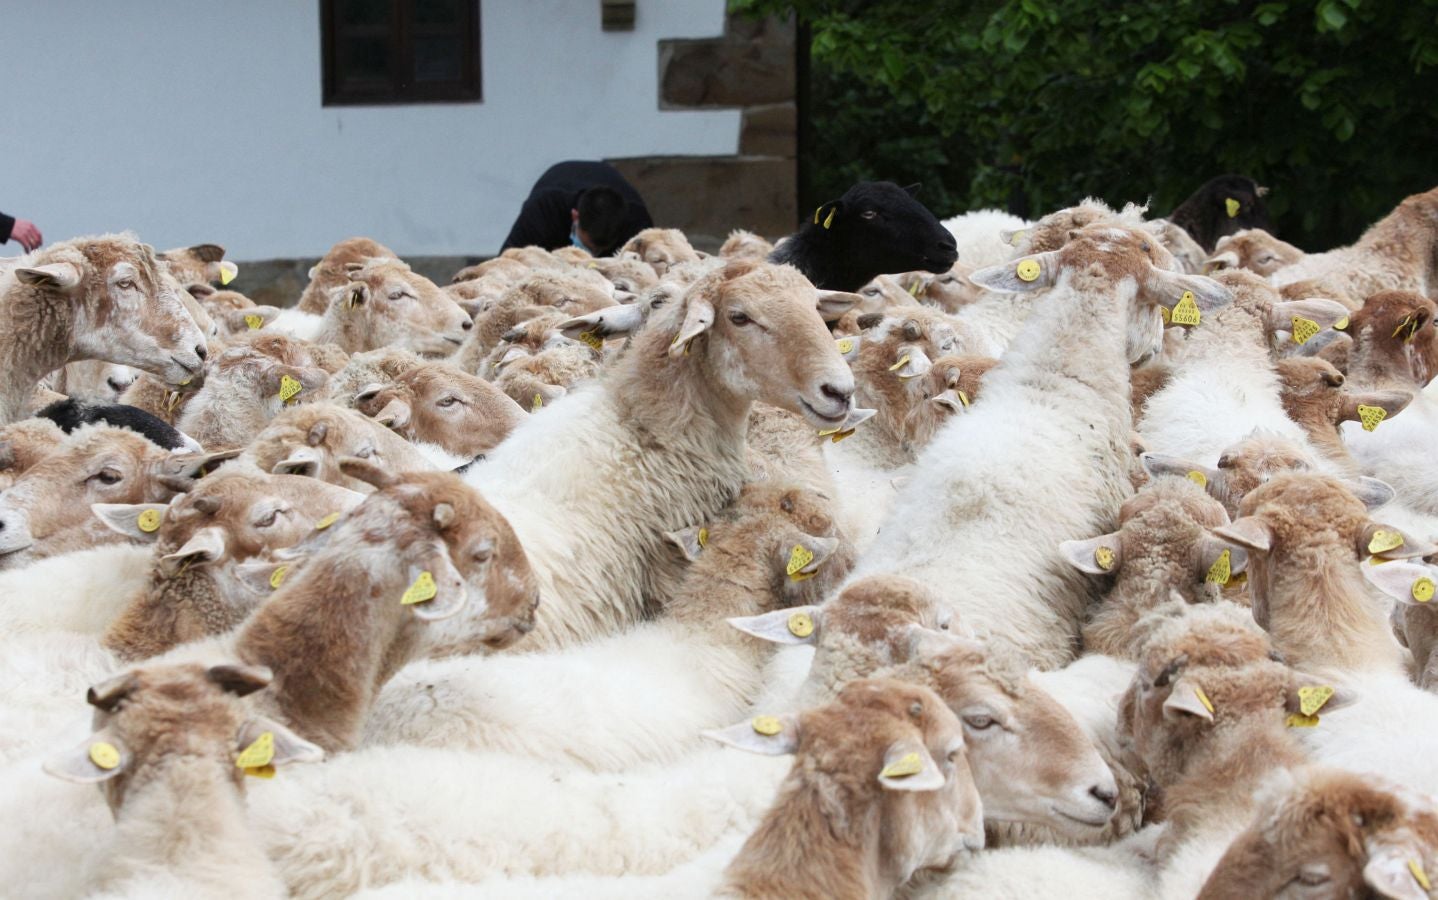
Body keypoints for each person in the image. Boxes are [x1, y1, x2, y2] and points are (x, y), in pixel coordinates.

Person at [500, 160, 652, 257]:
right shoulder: (544, 208)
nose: (590, 255)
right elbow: (508, 259)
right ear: (575, 216)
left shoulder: (637, 224)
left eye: (597, 251)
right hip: (558, 181)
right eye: (587, 247)